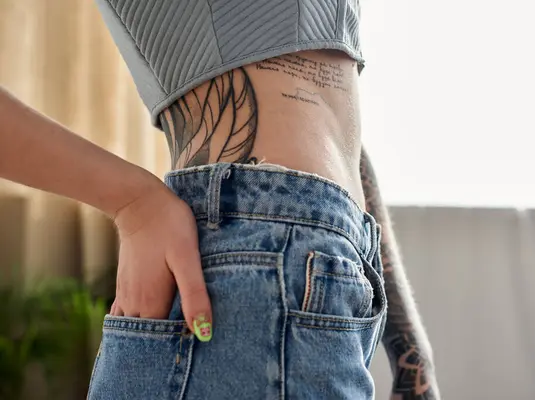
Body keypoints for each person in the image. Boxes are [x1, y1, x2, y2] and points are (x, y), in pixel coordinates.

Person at [0, 0, 439, 398]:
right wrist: (131, 199)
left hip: (326, 264)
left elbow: (337, 134)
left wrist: (410, 352)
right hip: (249, 260)